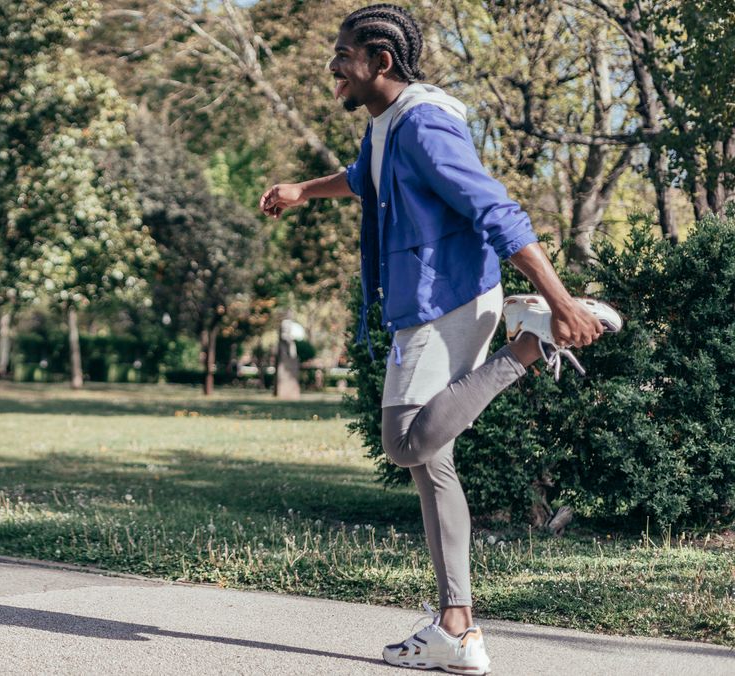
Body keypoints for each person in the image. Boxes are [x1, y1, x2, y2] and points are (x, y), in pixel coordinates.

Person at [259, 5, 619, 673]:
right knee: (434, 464)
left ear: (380, 63)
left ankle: (531, 345)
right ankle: (457, 631)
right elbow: (365, 175)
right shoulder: (386, 125)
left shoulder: (424, 122)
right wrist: (305, 190)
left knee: (407, 442)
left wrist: (562, 302)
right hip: (425, 296)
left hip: (447, 296)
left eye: (343, 55)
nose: (332, 66)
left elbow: (494, 209)